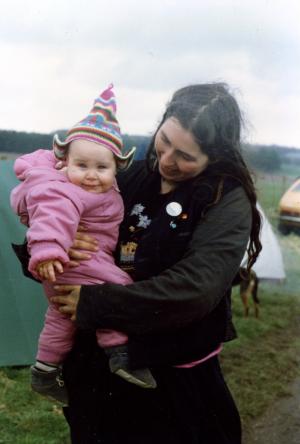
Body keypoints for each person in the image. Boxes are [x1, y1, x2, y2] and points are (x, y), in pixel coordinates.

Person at [16, 82, 262, 444]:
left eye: (186, 156)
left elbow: (196, 288)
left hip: (171, 379)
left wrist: (97, 303)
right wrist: (56, 247)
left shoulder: (225, 200)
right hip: (98, 374)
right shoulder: (128, 175)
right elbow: (54, 208)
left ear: (217, 156)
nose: (166, 161)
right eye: (164, 141)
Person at [10, 85, 157, 404]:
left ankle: (45, 371)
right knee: (116, 285)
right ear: (64, 163)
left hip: (66, 266)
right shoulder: (66, 191)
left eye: (101, 168)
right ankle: (120, 353)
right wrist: (48, 249)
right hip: (69, 262)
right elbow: (51, 216)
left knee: (60, 318)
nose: (91, 175)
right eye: (82, 166)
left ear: (116, 167)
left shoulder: (90, 187)